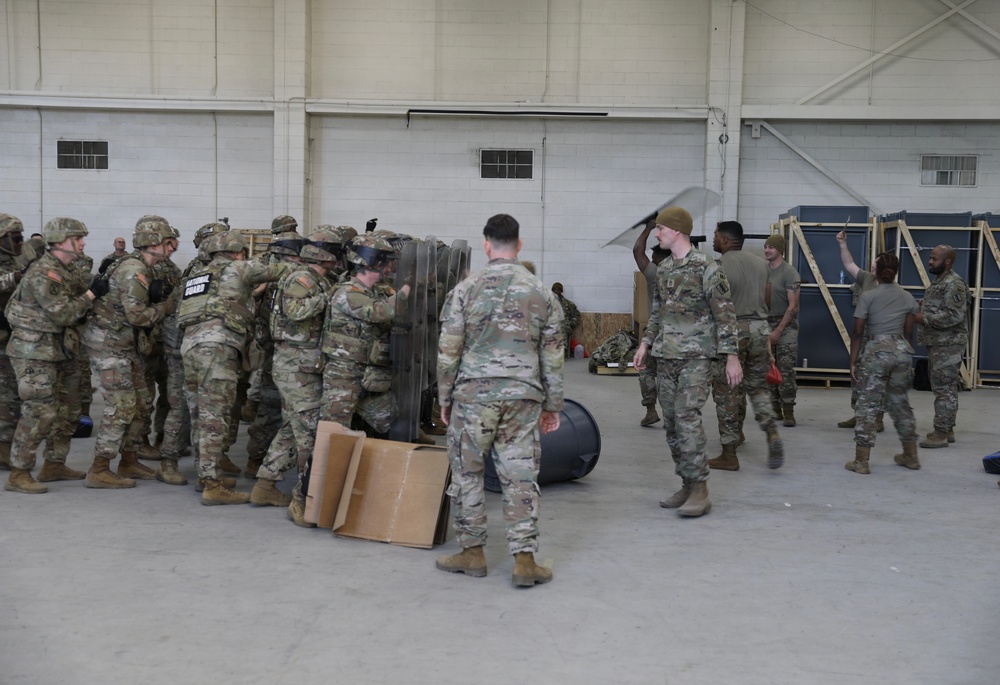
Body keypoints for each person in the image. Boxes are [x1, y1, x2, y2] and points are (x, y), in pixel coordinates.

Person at [435, 213, 564, 587]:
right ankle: (524, 560)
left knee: (468, 473)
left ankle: (472, 554)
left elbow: (448, 351)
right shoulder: (542, 291)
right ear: (519, 244)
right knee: (520, 475)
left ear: (486, 245)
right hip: (523, 397)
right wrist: (553, 404)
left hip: (474, 396)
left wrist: (445, 397)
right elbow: (553, 356)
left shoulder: (465, 289)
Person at [633, 207, 741, 517]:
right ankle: (687, 483)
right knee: (671, 424)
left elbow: (725, 313)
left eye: (661, 229)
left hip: (696, 357)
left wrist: (731, 356)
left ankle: (701, 488)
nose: (657, 234)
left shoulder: (707, 267)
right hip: (666, 356)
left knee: (687, 417)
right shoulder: (665, 268)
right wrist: (645, 343)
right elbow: (657, 312)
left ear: (678, 231)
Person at [178, 231, 292, 505]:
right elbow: (281, 269)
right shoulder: (239, 267)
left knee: (199, 414)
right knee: (215, 416)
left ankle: (205, 475)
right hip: (217, 347)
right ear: (237, 252)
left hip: (190, 348)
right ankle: (213, 487)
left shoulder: (197, 277)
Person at [3, 217, 100, 493]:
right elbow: (64, 313)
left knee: (70, 409)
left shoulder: (65, 270)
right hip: (34, 351)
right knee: (39, 410)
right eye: (77, 238)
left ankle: (54, 464)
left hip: (60, 350)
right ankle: (19, 473)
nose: (82, 243)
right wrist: (92, 295)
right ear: (60, 241)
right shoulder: (45, 272)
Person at [83, 216, 178, 489]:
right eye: (168, 243)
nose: (172, 248)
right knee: (122, 405)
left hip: (125, 345)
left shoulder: (144, 268)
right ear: (153, 243)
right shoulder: (133, 271)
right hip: (109, 345)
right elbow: (137, 316)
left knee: (142, 402)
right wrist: (167, 307)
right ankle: (99, 468)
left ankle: (129, 459)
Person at [250, 229, 340, 509]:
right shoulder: (301, 278)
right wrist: (331, 298)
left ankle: (265, 484)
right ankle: (306, 498)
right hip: (295, 367)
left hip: (304, 365)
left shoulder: (318, 279)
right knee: (308, 433)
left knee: (292, 428)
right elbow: (296, 312)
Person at [708, 220, 784, 471]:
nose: (713, 239)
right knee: (758, 388)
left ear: (726, 240)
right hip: (760, 330)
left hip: (733, 332)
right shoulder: (762, 265)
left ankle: (729, 453)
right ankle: (771, 432)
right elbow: (769, 298)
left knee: (727, 391)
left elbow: (713, 305)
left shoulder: (717, 266)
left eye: (716, 236)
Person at [845, 252, 921, 474]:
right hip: (901, 352)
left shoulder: (868, 296)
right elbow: (909, 332)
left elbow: (858, 333)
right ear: (895, 272)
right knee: (900, 404)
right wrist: (904, 356)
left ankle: (861, 461)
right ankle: (911, 455)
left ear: (875, 271)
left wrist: (853, 362)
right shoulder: (907, 297)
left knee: (867, 406)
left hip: (876, 352)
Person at [916, 245, 970, 448]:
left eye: (934, 259)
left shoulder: (953, 283)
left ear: (947, 261)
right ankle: (947, 428)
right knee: (945, 387)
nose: (930, 262)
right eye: (930, 258)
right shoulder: (940, 282)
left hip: (948, 344)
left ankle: (940, 433)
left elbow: (955, 315)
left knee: (943, 389)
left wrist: (925, 318)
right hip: (940, 343)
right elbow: (944, 307)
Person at [835, 230, 884, 432]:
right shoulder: (867, 279)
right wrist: (842, 244)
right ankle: (859, 414)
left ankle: (877, 418)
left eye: (877, 264)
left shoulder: (893, 289)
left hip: (881, 340)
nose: (873, 266)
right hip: (863, 337)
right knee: (857, 375)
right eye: (873, 263)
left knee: (877, 379)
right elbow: (849, 264)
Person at [633, 218, 670, 427]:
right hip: (676, 333)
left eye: (654, 256)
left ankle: (651, 410)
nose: (652, 259)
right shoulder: (682, 273)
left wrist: (648, 227)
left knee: (646, 371)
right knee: (668, 376)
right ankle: (669, 416)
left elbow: (638, 251)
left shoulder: (656, 274)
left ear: (659, 258)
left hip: (655, 332)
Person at [763, 234, 801, 426]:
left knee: (785, 369)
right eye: (766, 247)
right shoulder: (762, 270)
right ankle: (774, 408)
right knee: (768, 367)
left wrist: (778, 331)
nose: (767, 250)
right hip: (765, 323)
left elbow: (793, 306)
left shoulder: (789, 273)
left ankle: (788, 409)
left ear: (780, 250)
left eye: (771, 247)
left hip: (785, 326)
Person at [0, 213, 26, 471]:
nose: (20, 242)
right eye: (15, 238)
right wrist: (15, 277)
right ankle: (3, 448)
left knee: (11, 393)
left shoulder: (15, 259)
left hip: (11, 336)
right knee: (7, 395)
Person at [551, 282, 581, 357]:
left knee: (561, 327)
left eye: (558, 289)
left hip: (564, 325)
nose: (556, 291)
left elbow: (577, 314)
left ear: (561, 291)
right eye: (554, 289)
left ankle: (561, 351)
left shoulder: (568, 304)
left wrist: (571, 323)